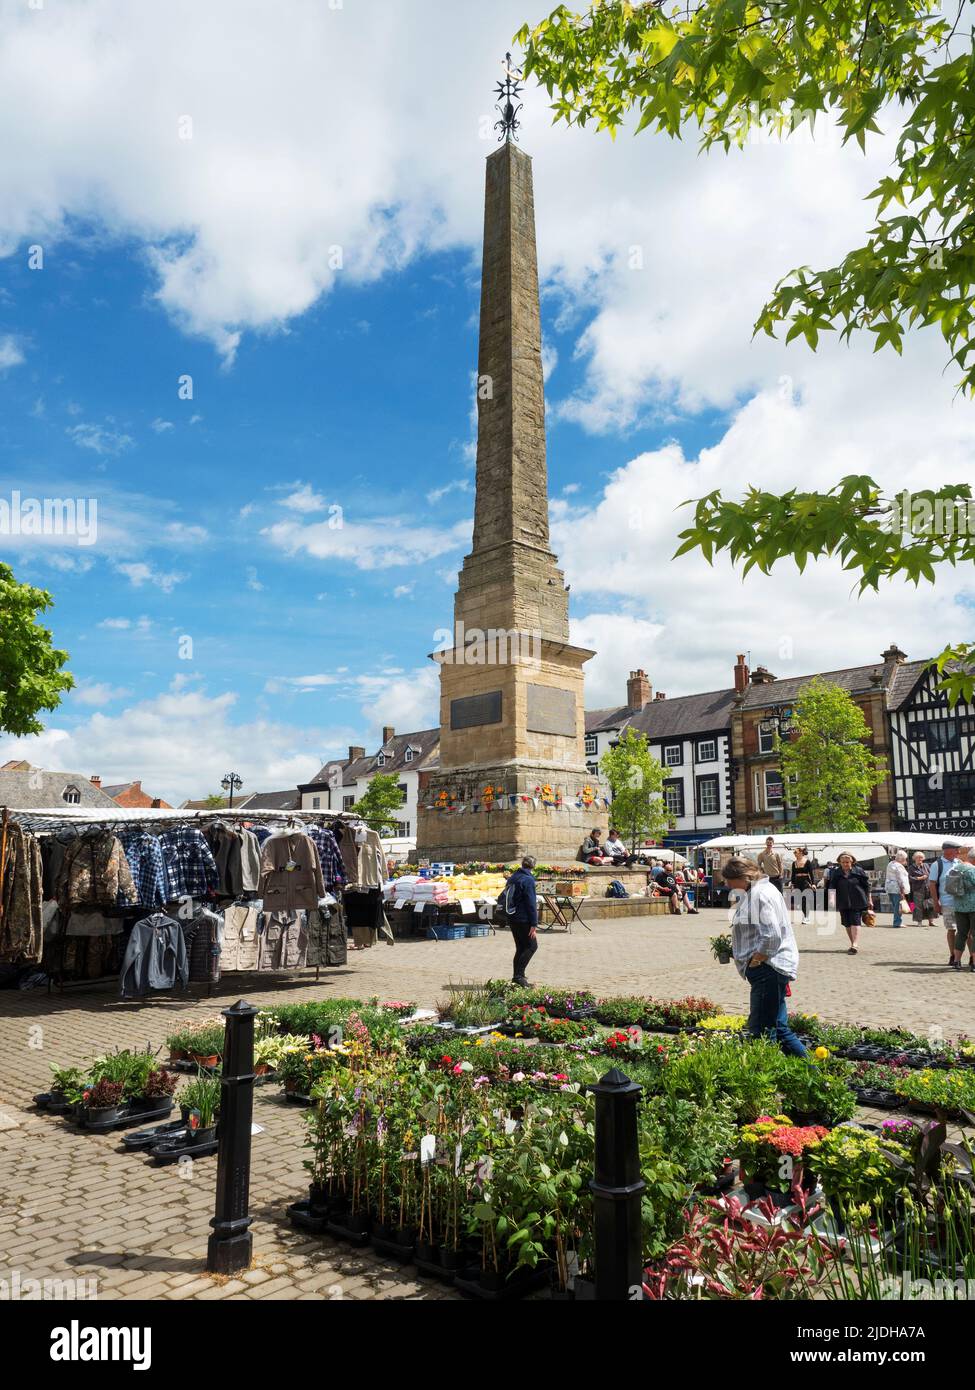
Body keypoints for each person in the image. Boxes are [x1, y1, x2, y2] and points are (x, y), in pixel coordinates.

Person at [721, 856, 806, 1057]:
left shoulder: (759, 894)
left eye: (728, 880)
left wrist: (756, 960)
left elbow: (771, 935)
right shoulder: (762, 890)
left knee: (762, 1030)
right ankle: (815, 1073)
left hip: (768, 968)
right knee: (778, 1027)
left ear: (742, 877)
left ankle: (773, 1075)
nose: (727, 885)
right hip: (772, 967)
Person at [499, 855, 539, 986]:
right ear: (533, 866)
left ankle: (518, 977)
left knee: (521, 947)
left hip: (512, 916)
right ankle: (518, 976)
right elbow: (531, 903)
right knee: (531, 946)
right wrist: (534, 923)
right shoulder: (528, 879)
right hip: (523, 918)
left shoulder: (513, 877)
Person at [826, 852, 873, 955]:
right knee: (847, 923)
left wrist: (869, 899)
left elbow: (867, 886)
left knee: (855, 921)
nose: (845, 864)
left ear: (852, 861)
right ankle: (853, 943)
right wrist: (831, 900)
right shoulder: (836, 873)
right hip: (843, 900)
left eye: (847, 862)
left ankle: (855, 944)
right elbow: (831, 887)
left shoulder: (859, 871)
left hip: (858, 900)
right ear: (839, 862)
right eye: (843, 862)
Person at [928, 839, 963, 966]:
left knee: (965, 930)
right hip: (947, 902)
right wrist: (936, 903)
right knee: (951, 929)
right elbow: (932, 884)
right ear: (948, 851)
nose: (959, 852)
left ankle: (966, 956)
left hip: (962, 902)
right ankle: (953, 955)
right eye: (956, 850)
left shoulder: (959, 862)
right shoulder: (937, 864)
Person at [949, 845, 975, 972]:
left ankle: (957, 961)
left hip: (959, 906)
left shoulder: (956, 868)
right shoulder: (972, 870)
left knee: (961, 934)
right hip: (973, 906)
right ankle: (974, 964)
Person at [789, 846, 818, 925]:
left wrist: (813, 884)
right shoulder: (794, 863)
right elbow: (793, 874)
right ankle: (805, 916)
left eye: (796, 852)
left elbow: (811, 874)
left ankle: (806, 917)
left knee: (804, 899)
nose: (794, 854)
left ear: (801, 853)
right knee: (799, 900)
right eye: (794, 852)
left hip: (805, 882)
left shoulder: (807, 861)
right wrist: (792, 884)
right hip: (797, 882)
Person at [883, 850, 911, 929]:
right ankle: (897, 923)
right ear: (902, 859)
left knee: (896, 905)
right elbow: (900, 879)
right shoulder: (898, 866)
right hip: (897, 888)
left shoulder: (890, 864)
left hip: (890, 888)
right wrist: (902, 890)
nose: (905, 860)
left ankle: (897, 922)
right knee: (898, 906)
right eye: (905, 859)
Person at [908, 851, 932, 925]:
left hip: (927, 888)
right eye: (918, 857)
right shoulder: (911, 867)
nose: (920, 859)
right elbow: (909, 878)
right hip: (918, 889)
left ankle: (931, 921)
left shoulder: (926, 865)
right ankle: (919, 921)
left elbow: (930, 874)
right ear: (914, 858)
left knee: (930, 905)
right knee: (918, 906)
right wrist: (919, 878)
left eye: (921, 857)